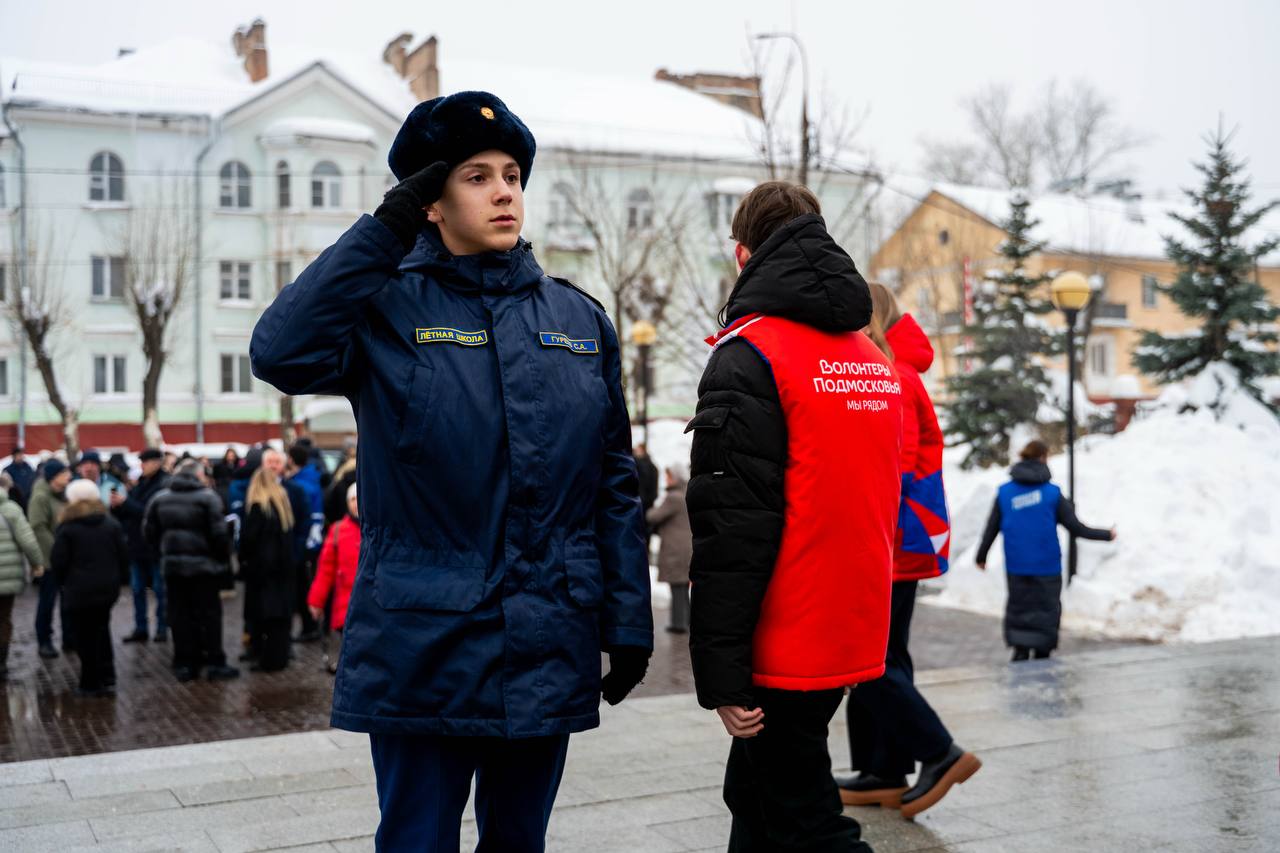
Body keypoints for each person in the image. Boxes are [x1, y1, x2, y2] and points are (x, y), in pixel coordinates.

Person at [250, 89, 653, 852]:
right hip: (422, 644)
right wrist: (381, 231)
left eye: (512, 174)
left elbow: (612, 483)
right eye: (476, 175)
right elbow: (280, 351)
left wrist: (627, 618)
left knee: (518, 843)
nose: (504, 190)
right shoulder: (384, 307)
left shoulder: (577, 320)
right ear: (430, 201)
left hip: (545, 639)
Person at [687, 181, 901, 852]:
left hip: (785, 628)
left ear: (745, 254)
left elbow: (731, 522)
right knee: (754, 794)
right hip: (853, 618)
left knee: (807, 818)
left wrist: (723, 670)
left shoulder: (752, 352)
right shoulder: (870, 357)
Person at [837, 283, 982, 821]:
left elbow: (888, 468)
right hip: (898, 539)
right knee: (886, 655)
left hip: (889, 540)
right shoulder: (897, 373)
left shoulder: (891, 378)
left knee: (868, 660)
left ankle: (939, 754)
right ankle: (883, 770)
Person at [976, 440, 1117, 661]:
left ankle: (1020, 650)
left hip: (1017, 564)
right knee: (1046, 608)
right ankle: (1042, 651)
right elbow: (1076, 528)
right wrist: (1106, 534)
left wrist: (981, 556)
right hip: (1047, 565)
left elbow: (991, 527)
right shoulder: (1052, 493)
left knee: (1019, 606)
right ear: (1043, 458)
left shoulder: (1005, 493)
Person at [144, 460, 239, 682]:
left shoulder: (160, 499)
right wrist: (220, 559)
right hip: (204, 568)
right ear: (198, 476)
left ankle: (185, 663)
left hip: (174, 568)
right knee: (209, 615)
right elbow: (219, 535)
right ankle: (215, 661)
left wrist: (165, 552)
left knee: (180, 615)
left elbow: (149, 532)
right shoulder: (207, 498)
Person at [51, 479, 127, 697]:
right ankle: (107, 675)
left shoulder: (67, 527)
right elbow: (122, 555)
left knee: (84, 636)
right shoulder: (110, 523)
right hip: (106, 589)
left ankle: (90, 682)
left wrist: (63, 583)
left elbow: (59, 562)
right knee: (102, 629)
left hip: (79, 590)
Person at [238, 464, 298, 672]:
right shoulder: (283, 506)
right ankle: (279, 656)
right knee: (280, 618)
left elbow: (247, 540)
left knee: (265, 617)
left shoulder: (257, 508)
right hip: (283, 570)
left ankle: (268, 659)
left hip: (263, 572)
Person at [114, 448, 171, 644]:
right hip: (138, 547)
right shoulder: (142, 483)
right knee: (137, 590)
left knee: (159, 590)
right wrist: (119, 506)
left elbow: (149, 511)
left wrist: (125, 503)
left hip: (154, 547)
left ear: (156, 462)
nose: (142, 466)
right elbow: (133, 512)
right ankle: (141, 628)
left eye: (145, 462)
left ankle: (162, 628)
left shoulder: (164, 483)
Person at [308, 482, 361, 674]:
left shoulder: (376, 530)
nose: (357, 503)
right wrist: (316, 600)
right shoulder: (338, 530)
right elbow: (325, 570)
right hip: (346, 607)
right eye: (353, 499)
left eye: (359, 498)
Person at [0, 473, 44, 680]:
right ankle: (1, 664)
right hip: (8, 578)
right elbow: (28, 541)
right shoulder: (11, 510)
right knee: (4, 619)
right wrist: (37, 563)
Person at [29, 458, 72, 658]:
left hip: (65, 560)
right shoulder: (41, 497)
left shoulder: (62, 496)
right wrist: (57, 551)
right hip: (50, 561)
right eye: (64, 473)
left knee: (68, 601)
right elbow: (38, 527)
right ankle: (44, 640)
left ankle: (69, 638)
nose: (69, 476)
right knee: (47, 602)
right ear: (54, 477)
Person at [645, 464, 692, 634]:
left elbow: (653, 516)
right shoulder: (687, 493)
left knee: (677, 586)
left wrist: (648, 509)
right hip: (685, 547)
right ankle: (685, 620)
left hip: (675, 548)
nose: (667, 479)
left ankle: (679, 623)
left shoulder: (673, 497)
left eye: (669, 476)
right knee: (682, 586)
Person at [286, 444, 325, 642]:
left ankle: (310, 626)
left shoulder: (300, 484)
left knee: (304, 586)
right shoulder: (310, 479)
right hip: (310, 542)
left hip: (305, 544)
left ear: (291, 459)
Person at [3, 447, 37, 512]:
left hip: (29, 499)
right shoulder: (8, 470)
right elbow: (6, 486)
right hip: (15, 501)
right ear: (13, 456)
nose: (20, 457)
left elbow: (33, 478)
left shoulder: (28, 467)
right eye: (18, 455)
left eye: (21, 455)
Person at [633, 443, 659, 517]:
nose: (635, 452)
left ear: (643, 451)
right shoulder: (653, 466)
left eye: (638, 450)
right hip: (647, 502)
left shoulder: (639, 464)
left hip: (642, 501)